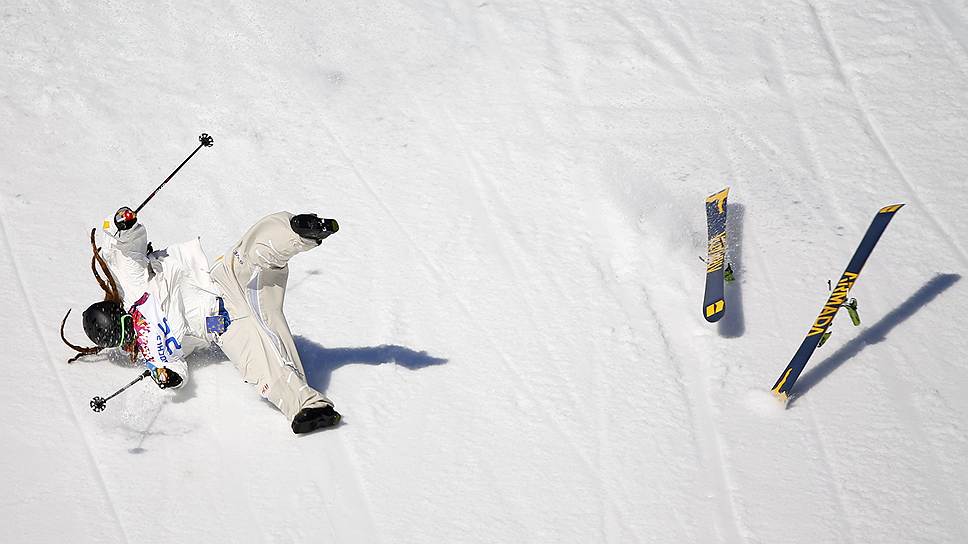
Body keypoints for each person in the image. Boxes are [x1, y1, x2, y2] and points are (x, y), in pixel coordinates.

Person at [60, 207, 342, 434]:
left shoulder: (132, 285)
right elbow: (175, 366)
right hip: (226, 328)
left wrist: (125, 226)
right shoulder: (151, 352)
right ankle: (309, 408)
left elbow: (127, 250)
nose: (130, 331)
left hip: (222, 285)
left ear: (116, 310)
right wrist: (170, 378)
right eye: (123, 337)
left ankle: (297, 232)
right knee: (262, 369)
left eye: (124, 324)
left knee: (250, 252)